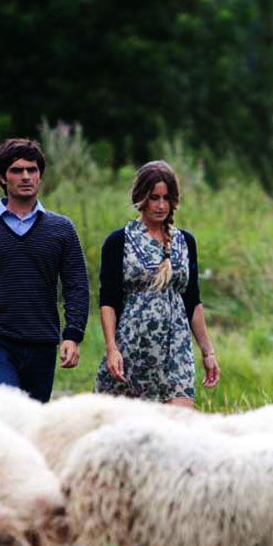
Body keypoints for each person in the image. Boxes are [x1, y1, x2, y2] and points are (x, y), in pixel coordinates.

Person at [0, 138, 88, 403]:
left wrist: (73, 335)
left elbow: (77, 286)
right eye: (16, 170)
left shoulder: (61, 229)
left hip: (42, 341)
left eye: (32, 170)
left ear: (40, 176)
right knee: (9, 409)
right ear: (2, 177)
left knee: (35, 420)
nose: (26, 176)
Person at [94, 160, 219, 406]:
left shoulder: (185, 242)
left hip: (177, 348)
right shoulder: (119, 241)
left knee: (180, 425)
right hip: (135, 346)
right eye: (154, 198)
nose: (161, 205)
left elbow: (192, 300)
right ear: (141, 198)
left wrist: (207, 351)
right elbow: (108, 299)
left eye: (167, 198)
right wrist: (111, 348)